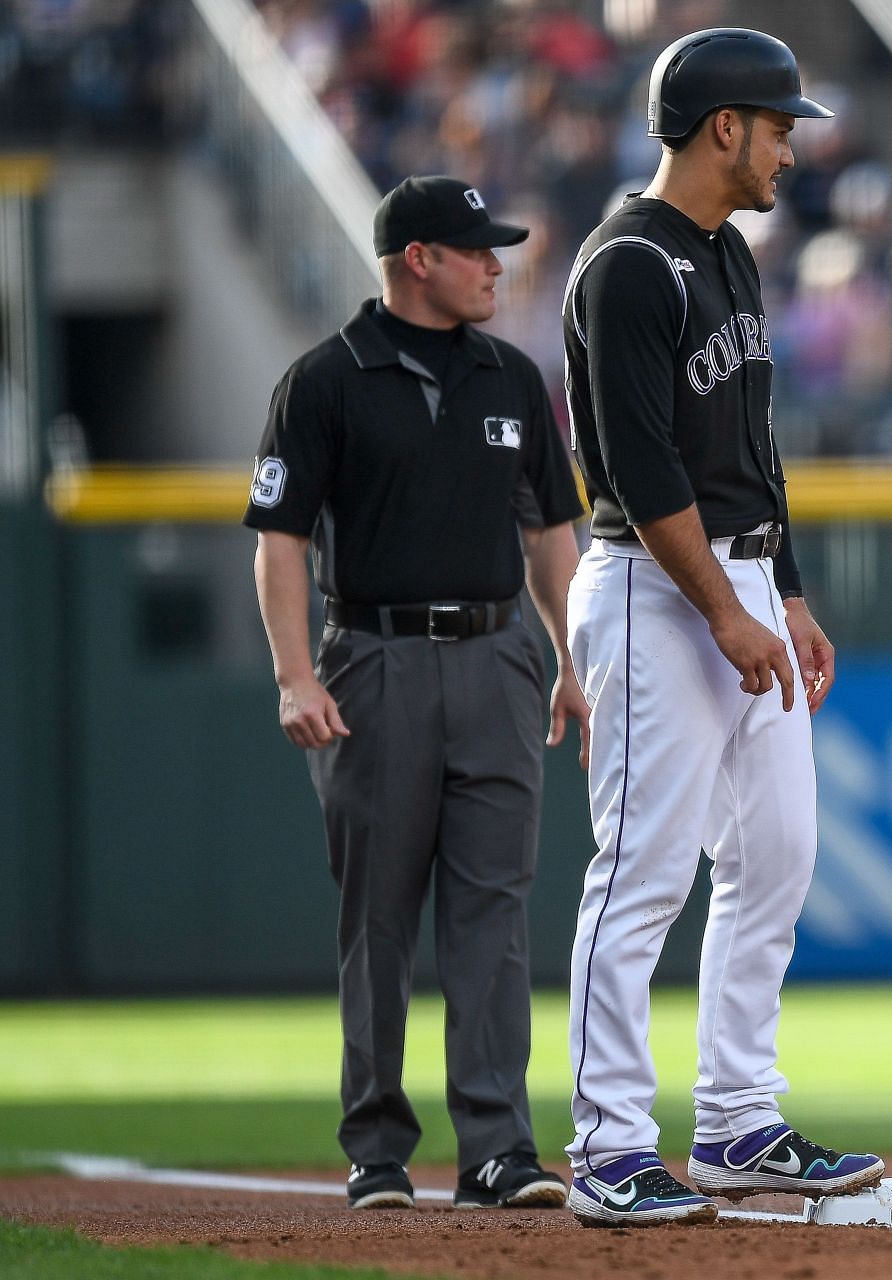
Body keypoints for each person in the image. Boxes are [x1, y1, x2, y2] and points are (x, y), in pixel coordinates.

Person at [557, 28, 883, 1229]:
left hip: (737, 583)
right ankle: (607, 1143)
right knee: (642, 868)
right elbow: (636, 468)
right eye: (778, 122)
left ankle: (740, 1119)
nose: (793, 145)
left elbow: (756, 454)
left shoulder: (728, 255)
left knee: (780, 852)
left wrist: (783, 596)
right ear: (720, 127)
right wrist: (723, 611)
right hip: (654, 588)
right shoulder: (626, 263)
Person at [246, 175, 587, 1212]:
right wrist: (294, 673)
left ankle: (497, 1146)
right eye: (475, 249)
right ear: (417, 261)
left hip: (497, 658)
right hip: (374, 663)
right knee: (379, 915)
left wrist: (572, 657)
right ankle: (378, 1147)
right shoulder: (323, 381)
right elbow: (280, 540)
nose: (496, 263)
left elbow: (548, 534)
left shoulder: (513, 376)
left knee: (495, 911)